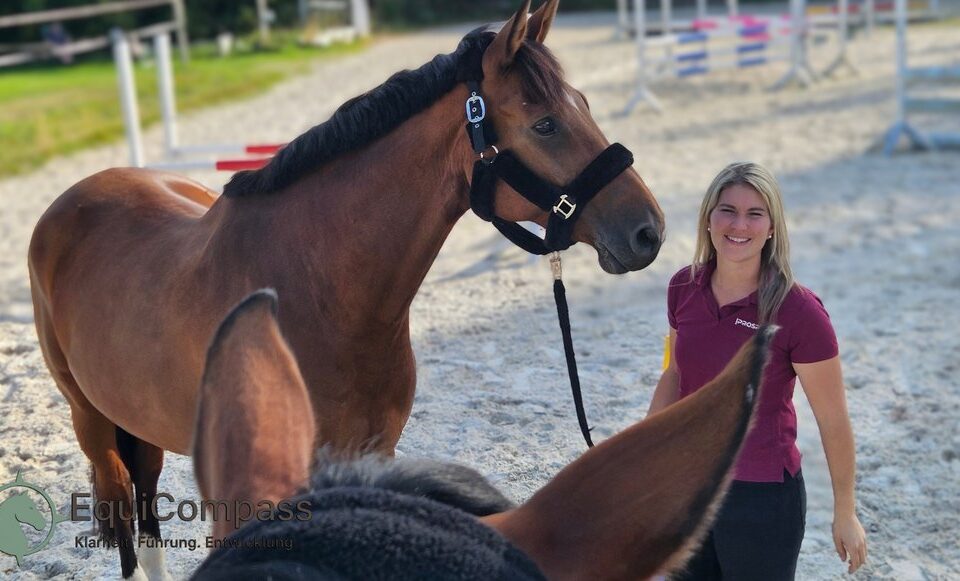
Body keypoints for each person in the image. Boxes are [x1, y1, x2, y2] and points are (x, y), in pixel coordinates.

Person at [648, 162, 867, 580]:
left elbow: (833, 419)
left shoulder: (799, 311)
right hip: (688, 486)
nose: (739, 225)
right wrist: (642, 456)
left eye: (755, 214)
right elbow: (675, 374)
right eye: (727, 210)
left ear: (771, 229)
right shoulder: (682, 287)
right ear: (708, 218)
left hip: (762, 498)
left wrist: (845, 511)